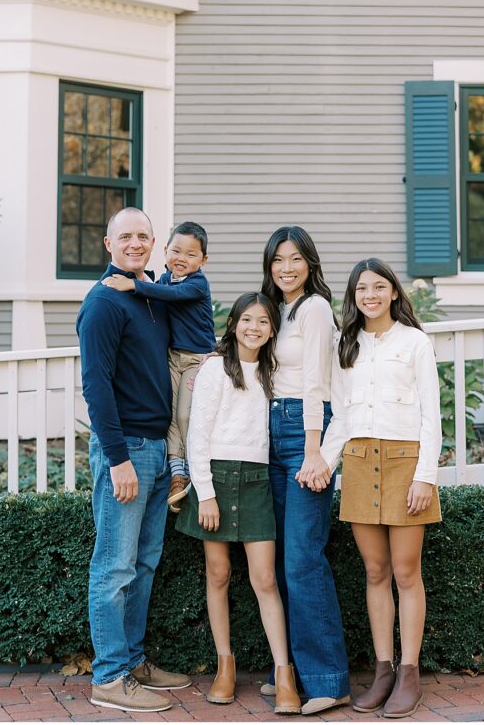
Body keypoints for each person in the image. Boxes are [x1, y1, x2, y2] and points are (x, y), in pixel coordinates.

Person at [314, 258, 442, 719]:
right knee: (375, 572)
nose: (370, 295)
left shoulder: (415, 342)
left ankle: (409, 673)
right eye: (361, 288)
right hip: (360, 461)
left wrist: (425, 475)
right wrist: (324, 463)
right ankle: (383, 670)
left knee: (407, 573)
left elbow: (432, 415)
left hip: (406, 463)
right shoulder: (346, 346)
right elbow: (341, 417)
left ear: (393, 293)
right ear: (353, 296)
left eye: (378, 287)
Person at [76, 207, 191, 714]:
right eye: (126, 236)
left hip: (158, 449)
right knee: (114, 567)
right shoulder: (103, 302)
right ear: (108, 243)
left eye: (144, 236)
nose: (136, 243)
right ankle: (109, 677)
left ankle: (133, 661)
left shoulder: (150, 296)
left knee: (143, 565)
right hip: (126, 451)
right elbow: (95, 386)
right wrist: (118, 458)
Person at [176, 293, 301, 715]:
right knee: (218, 573)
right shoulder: (215, 368)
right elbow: (197, 434)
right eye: (247, 320)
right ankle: (224, 665)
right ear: (233, 324)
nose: (254, 327)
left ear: (271, 331)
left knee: (265, 579)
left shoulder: (272, 371)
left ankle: (283, 672)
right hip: (216, 476)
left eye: (263, 321)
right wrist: (205, 493)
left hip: (256, 480)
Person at [260, 226, 350, 716]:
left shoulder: (314, 308)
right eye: (278, 259)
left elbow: (317, 383)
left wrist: (315, 451)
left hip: (303, 433)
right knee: (279, 560)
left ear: (310, 264)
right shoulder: (280, 311)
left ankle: (328, 680)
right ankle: (295, 673)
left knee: (302, 558)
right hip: (273, 430)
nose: (286, 268)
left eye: (295, 259)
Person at [103, 220, 215, 512]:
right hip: (173, 359)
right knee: (171, 413)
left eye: (191, 255)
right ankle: (177, 473)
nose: (182, 259)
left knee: (185, 415)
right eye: (176, 251)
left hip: (196, 360)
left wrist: (133, 285)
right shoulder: (164, 280)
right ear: (164, 250)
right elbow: (162, 295)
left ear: (203, 260)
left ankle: (194, 466)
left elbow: (173, 297)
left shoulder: (197, 283)